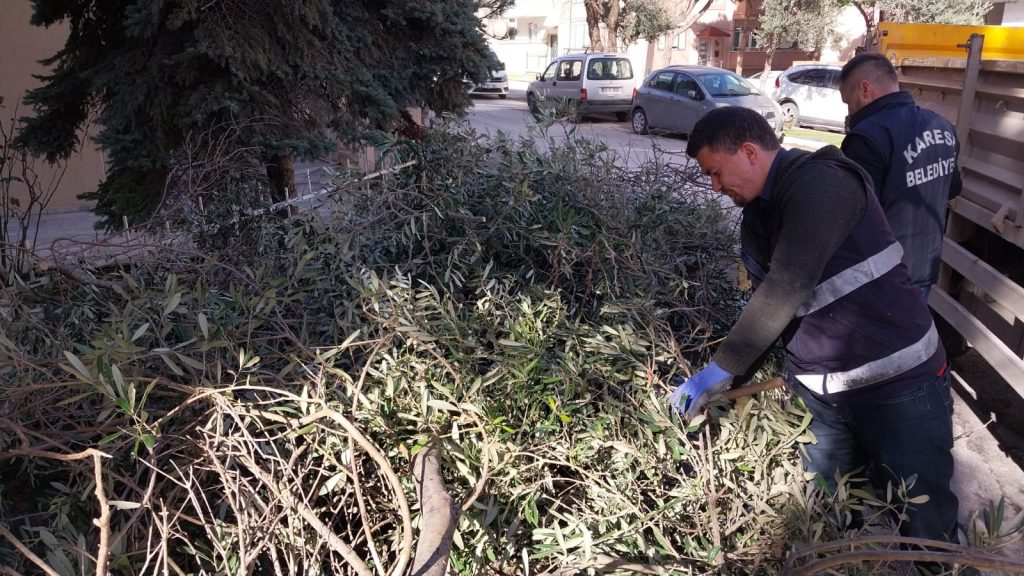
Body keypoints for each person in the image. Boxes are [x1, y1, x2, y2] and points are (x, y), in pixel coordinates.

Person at [670, 107, 960, 548]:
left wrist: (722, 367)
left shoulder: (823, 184)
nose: (714, 187)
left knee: (924, 520)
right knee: (830, 514)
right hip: (822, 395)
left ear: (749, 152)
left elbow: (786, 285)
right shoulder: (759, 214)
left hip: (900, 387)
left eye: (716, 172)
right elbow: (772, 306)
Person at [838, 52, 962, 298]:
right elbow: (953, 188)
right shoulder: (942, 126)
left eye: (847, 102)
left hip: (878, 277)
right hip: (923, 269)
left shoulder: (867, 137)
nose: (850, 111)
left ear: (865, 90)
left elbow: (849, 214)